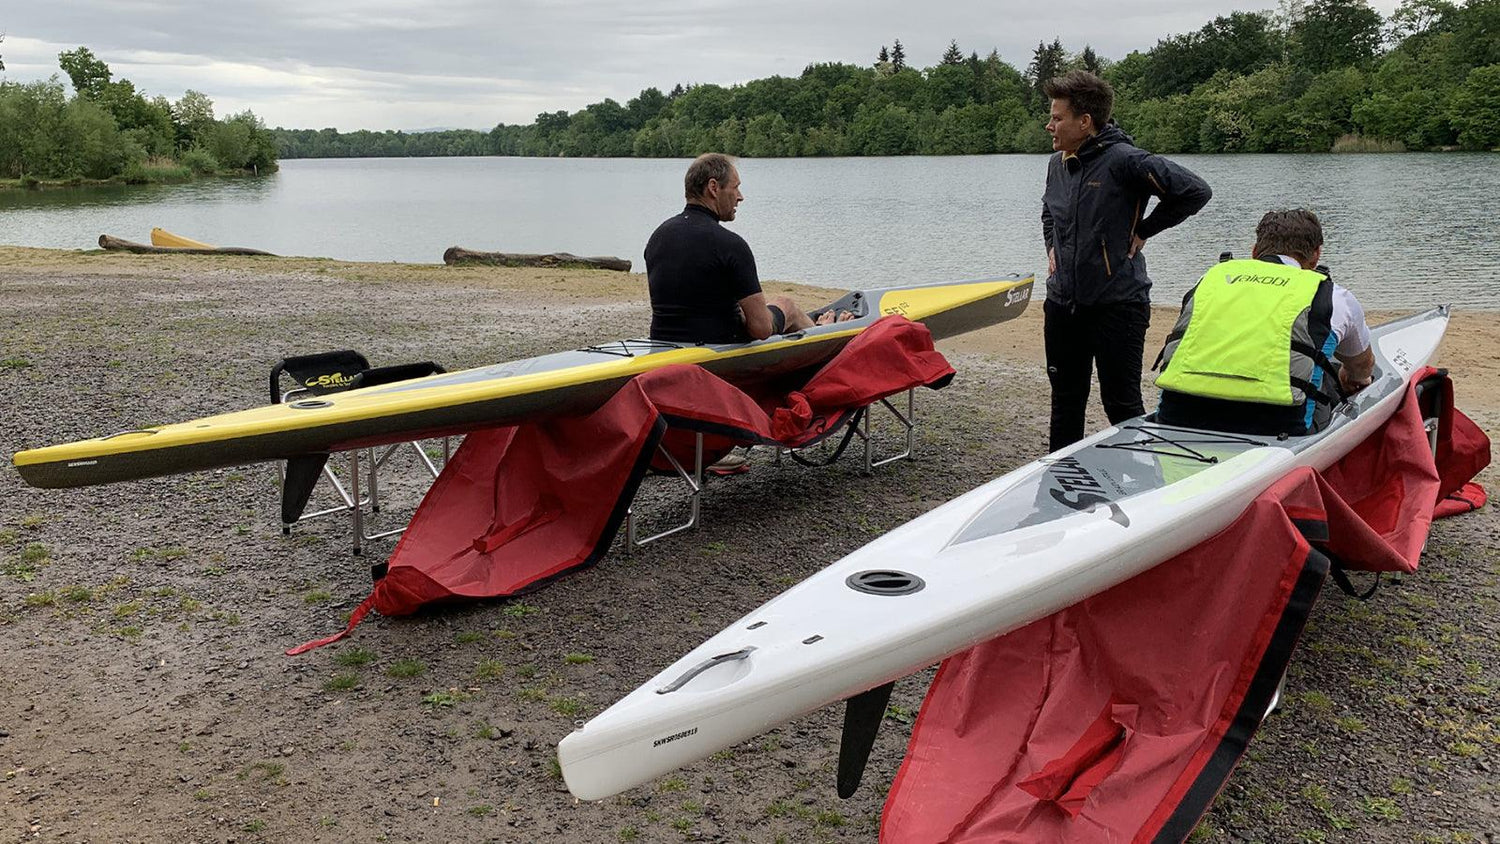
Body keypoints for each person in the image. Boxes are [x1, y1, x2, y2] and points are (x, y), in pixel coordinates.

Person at [1040, 70, 1212, 452]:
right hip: (1063, 304)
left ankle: (1141, 488)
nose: (1049, 124)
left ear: (1084, 122)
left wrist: (1145, 229)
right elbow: (1049, 212)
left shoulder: (1125, 160)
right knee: (1065, 402)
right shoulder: (1057, 164)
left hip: (1118, 304)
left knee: (1121, 405)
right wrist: (1052, 245)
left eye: (1057, 117)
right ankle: (1059, 484)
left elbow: (1195, 191)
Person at [1154, 209, 1374, 436]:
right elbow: (1362, 368)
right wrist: (1350, 377)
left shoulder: (1209, 279)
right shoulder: (1334, 296)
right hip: (1280, 425)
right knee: (1327, 370)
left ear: (1254, 251)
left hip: (1178, 412)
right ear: (1316, 255)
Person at [646, 153, 836, 344]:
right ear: (713, 188)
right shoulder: (729, 244)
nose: (740, 197)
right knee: (787, 305)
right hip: (719, 346)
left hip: (665, 343)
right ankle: (827, 335)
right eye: (735, 188)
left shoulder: (658, 237)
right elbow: (761, 329)